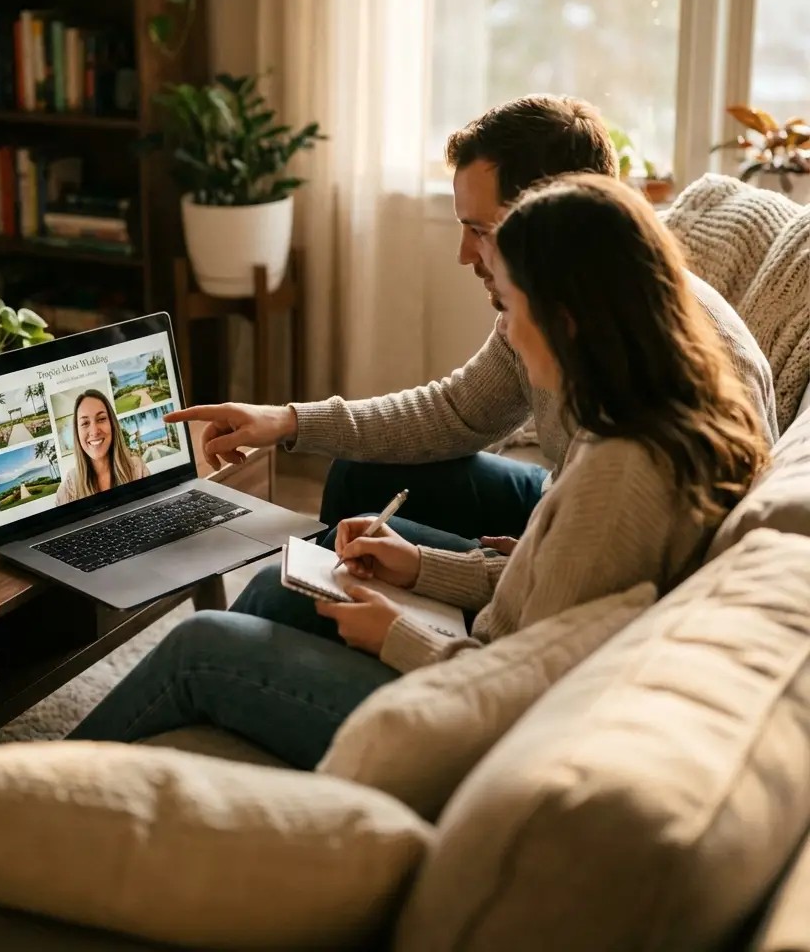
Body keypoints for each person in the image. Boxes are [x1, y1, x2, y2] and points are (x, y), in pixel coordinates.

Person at [68, 176, 768, 764]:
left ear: (569, 319)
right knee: (288, 587)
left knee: (196, 646)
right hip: (473, 662)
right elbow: (548, 592)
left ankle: (26, 791)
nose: (509, 334)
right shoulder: (632, 410)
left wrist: (396, 636)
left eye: (514, 306)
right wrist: (421, 567)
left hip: (459, 724)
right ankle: (211, 739)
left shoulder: (622, 475)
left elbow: (517, 692)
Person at [167, 94, 777, 629]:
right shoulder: (572, 306)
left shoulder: (669, 374)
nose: (465, 254)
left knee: (318, 566)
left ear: (554, 223)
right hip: (562, 497)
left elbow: (635, 559)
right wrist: (288, 422)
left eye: (480, 230)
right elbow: (456, 412)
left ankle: (281, 645)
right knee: (355, 478)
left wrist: (523, 557)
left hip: (585, 529)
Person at [56, 388, 149, 505]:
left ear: (112, 424)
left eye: (101, 419)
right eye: (85, 423)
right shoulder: (67, 490)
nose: (94, 431)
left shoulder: (138, 470)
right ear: (77, 433)